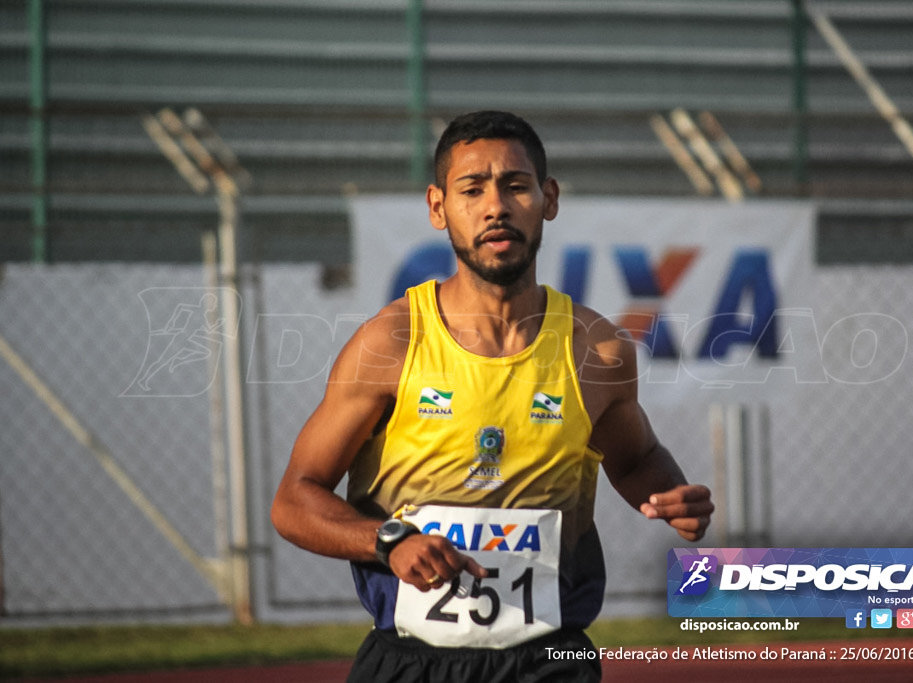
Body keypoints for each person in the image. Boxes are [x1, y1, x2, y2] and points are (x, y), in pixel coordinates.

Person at [271, 110, 714, 682]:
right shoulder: (392, 342)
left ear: (548, 198)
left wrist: (671, 495)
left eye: (515, 186)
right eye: (472, 189)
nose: (495, 206)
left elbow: (636, 459)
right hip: (411, 664)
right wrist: (390, 542)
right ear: (438, 207)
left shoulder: (598, 350)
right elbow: (294, 501)